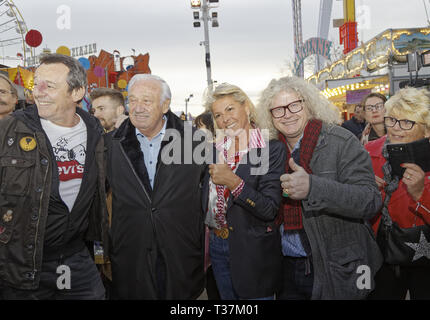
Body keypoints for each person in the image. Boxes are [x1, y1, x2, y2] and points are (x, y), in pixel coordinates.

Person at [257, 76, 383, 300]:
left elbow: (370, 200)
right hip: (285, 267)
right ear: (270, 116)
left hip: (335, 265)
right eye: (278, 109)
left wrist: (314, 188)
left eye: (294, 105)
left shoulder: (340, 141)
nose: (287, 114)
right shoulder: (270, 152)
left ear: (309, 104)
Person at [0, 53, 109, 299]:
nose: (38, 92)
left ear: (77, 92)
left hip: (75, 256)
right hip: (19, 262)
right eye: (35, 84)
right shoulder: (9, 130)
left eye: (49, 86)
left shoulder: (94, 131)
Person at [105, 74, 207, 299]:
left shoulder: (194, 142)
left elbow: (210, 195)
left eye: (147, 101)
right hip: (132, 253)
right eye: (133, 100)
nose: (138, 108)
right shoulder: (109, 145)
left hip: (180, 252)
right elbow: (94, 198)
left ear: (165, 105)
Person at [202, 83, 286, 300]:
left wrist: (232, 181)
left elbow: (268, 208)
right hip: (218, 245)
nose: (224, 119)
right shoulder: (214, 150)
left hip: (253, 248)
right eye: (218, 114)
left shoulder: (270, 148)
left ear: (247, 108)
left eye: (230, 109)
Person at [365, 87, 430, 300]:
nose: (395, 128)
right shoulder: (369, 152)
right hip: (383, 252)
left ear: (427, 130)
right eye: (391, 120)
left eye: (406, 122)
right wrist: (364, 188)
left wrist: (421, 193)